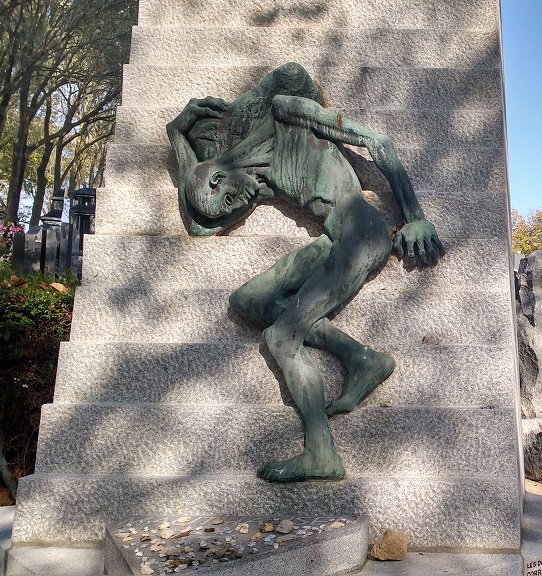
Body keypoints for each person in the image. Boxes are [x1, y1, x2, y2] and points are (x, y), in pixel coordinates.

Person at [167, 63, 443, 482]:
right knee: (248, 300)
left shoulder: (285, 111)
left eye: (227, 202)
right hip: (333, 242)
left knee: (281, 337)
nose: (235, 211)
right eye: (229, 210)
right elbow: (197, 220)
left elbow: (378, 141)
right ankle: (361, 358)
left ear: (221, 174)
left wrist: (415, 217)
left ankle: (321, 452)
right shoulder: (258, 175)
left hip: (361, 231)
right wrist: (176, 134)